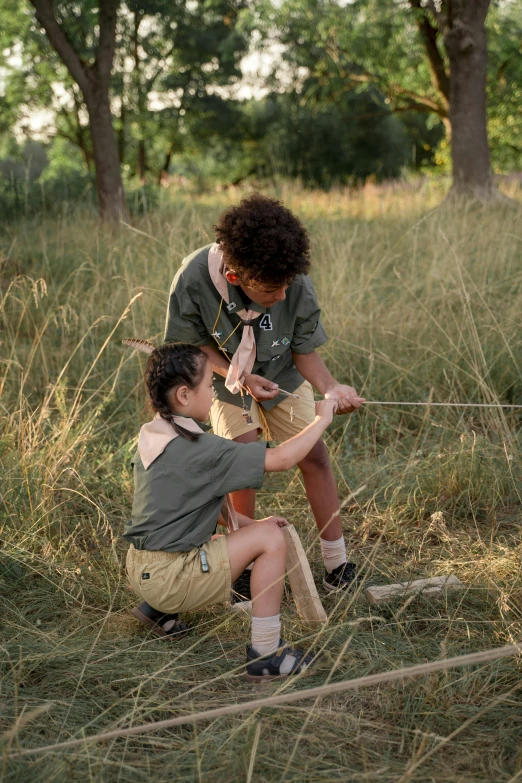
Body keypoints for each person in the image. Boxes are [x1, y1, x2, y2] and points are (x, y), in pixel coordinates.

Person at [164, 193, 365, 603]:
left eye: (289, 284)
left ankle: (337, 564)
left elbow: (304, 349)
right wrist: (238, 375)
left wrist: (332, 388)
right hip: (223, 379)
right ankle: (247, 561)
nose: (284, 294)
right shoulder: (193, 279)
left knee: (316, 456)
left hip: (283, 373)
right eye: (274, 289)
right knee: (242, 458)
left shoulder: (291, 280)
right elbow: (191, 346)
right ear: (237, 278)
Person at [124, 342, 337, 681]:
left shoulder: (154, 434)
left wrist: (247, 525)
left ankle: (157, 612)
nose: (213, 393)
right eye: (210, 385)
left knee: (253, 530)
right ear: (183, 395)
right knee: (270, 539)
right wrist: (321, 420)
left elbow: (191, 503)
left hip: (141, 569)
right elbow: (281, 459)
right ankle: (266, 654)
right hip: (171, 580)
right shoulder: (201, 449)